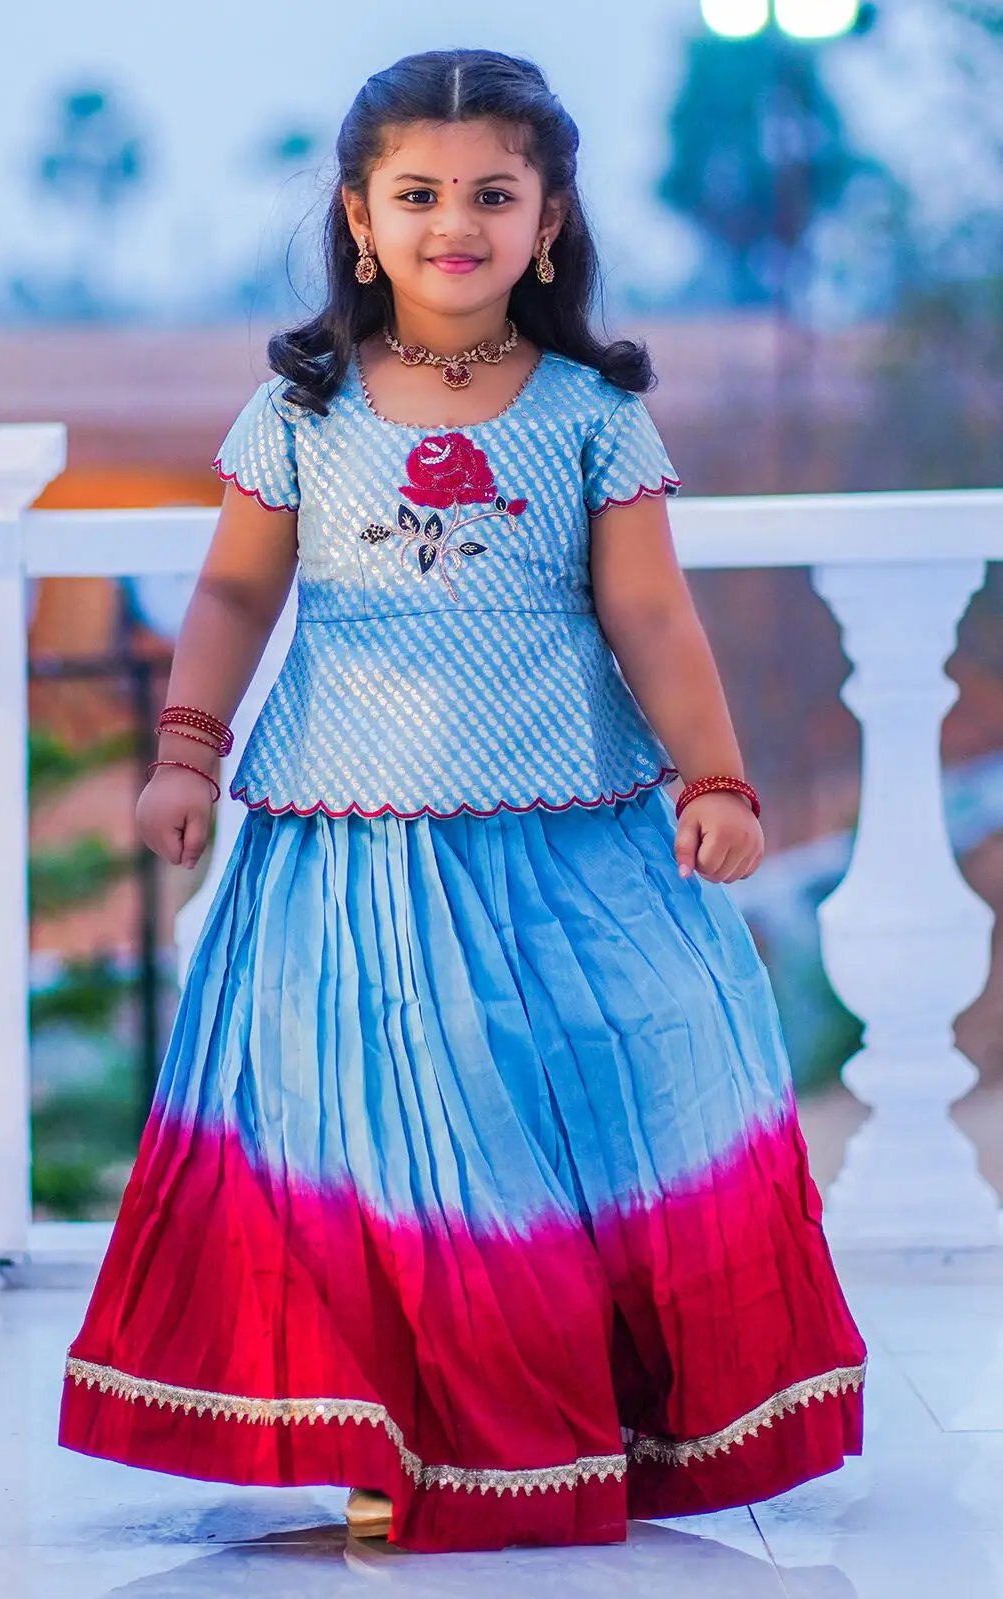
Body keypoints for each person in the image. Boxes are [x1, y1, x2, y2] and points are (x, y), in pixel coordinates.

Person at [58, 46, 867, 1556]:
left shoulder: (588, 411)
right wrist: (185, 751)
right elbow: (236, 592)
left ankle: (583, 1432)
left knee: (566, 1121)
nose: (455, 222)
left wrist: (717, 777)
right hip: (351, 846)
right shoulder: (298, 407)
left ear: (548, 222)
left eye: (493, 193)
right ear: (358, 222)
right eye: (417, 193)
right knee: (384, 1142)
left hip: (569, 836)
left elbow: (652, 620)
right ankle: (398, 1432)